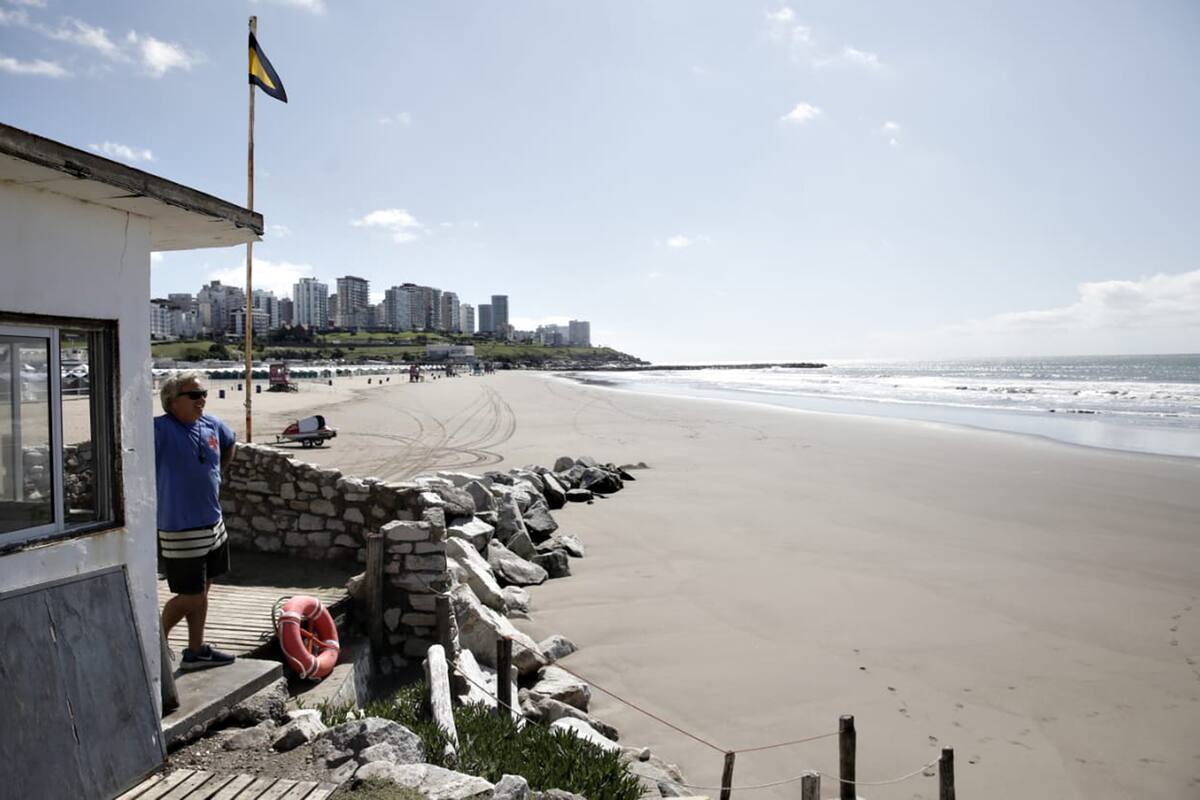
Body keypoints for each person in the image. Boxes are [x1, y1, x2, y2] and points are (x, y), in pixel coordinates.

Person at [155, 371, 237, 670]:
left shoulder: (212, 424)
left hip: (213, 523)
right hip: (180, 526)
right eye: (194, 395)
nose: (201, 400)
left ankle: (195, 650)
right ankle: (155, 644)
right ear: (172, 401)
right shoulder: (159, 430)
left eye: (204, 394)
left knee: (204, 589)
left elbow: (230, 443)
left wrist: (218, 474)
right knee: (190, 595)